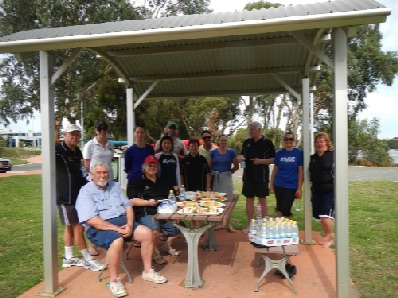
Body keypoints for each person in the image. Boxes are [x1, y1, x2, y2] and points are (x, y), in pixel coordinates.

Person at [76, 161, 167, 298]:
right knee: (117, 240)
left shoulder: (115, 186)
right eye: (99, 173)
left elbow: (128, 206)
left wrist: (130, 224)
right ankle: (114, 280)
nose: (102, 176)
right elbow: (92, 220)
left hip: (123, 222)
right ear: (92, 175)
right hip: (100, 227)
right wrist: (117, 229)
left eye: (105, 172)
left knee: (146, 233)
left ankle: (148, 271)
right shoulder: (86, 191)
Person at [55, 123, 104, 271]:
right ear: (65, 135)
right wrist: (54, 128)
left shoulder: (77, 151)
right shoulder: (58, 149)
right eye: (72, 134)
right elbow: (50, 144)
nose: (75, 137)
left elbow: (80, 172)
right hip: (65, 196)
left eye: (77, 134)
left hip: (78, 195)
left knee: (70, 227)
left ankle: (68, 258)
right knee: (78, 227)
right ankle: (87, 258)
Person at [127, 156, 182, 265]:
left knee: (180, 229)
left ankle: (166, 245)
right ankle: (154, 252)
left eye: (154, 165)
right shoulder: (137, 181)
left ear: (158, 167)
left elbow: (170, 197)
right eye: (149, 165)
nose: (152, 167)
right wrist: (147, 202)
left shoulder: (162, 181)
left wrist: (176, 211)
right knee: (154, 230)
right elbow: (132, 200)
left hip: (164, 212)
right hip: (145, 211)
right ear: (144, 167)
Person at [238, 121, 276, 233]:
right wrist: (241, 160)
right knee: (249, 199)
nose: (250, 131)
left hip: (262, 177)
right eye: (249, 129)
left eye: (252, 129)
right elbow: (243, 156)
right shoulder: (246, 142)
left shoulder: (268, 143)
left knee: (262, 200)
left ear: (259, 130)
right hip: (248, 176)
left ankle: (264, 225)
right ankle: (250, 225)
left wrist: (261, 161)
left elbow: (274, 159)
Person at [208, 134, 239, 232]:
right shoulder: (213, 153)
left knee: (228, 200)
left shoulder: (231, 152)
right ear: (218, 141)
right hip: (215, 178)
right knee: (216, 201)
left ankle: (228, 223)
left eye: (225, 140)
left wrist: (230, 172)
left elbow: (236, 166)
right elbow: (209, 167)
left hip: (226, 177)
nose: (223, 142)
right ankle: (219, 223)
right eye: (222, 140)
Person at [309, 132, 335, 248]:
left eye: (322, 141)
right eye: (318, 141)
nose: (319, 143)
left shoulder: (333, 155)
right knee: (320, 216)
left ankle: (330, 236)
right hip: (316, 190)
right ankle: (328, 236)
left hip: (329, 189)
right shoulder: (313, 158)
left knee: (325, 216)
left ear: (327, 143)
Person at [270, 132, 304, 218]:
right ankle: (281, 228)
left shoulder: (298, 153)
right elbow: (274, 171)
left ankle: (289, 228)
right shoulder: (279, 153)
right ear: (284, 140)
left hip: (291, 185)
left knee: (286, 209)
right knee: (279, 208)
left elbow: (300, 172)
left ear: (294, 141)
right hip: (279, 184)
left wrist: (299, 188)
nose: (288, 141)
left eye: (290, 139)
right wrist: (271, 185)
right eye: (286, 139)